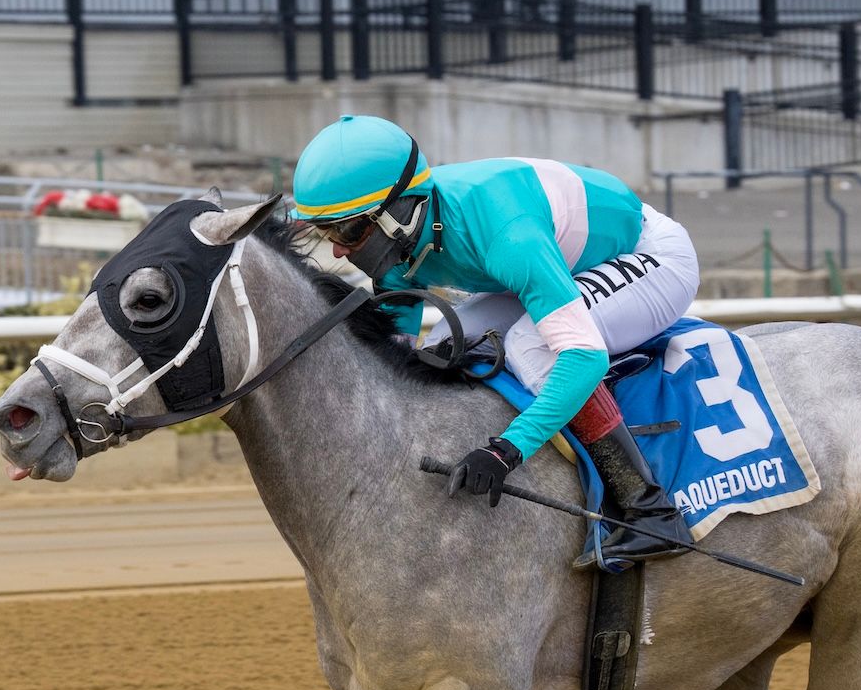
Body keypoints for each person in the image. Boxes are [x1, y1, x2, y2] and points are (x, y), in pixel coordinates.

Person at [290, 114, 699, 566]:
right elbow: (397, 346)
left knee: (531, 347)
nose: (337, 250)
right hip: (551, 256)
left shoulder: (510, 238)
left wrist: (507, 450)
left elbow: (584, 357)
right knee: (444, 343)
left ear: (398, 213)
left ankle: (651, 511)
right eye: (326, 232)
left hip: (649, 255)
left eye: (347, 231)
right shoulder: (403, 233)